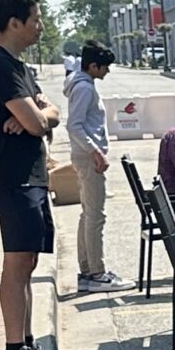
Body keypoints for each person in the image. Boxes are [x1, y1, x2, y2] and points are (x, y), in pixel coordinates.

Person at [0, 0, 71, 350]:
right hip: (12, 180)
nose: (41, 27)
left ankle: (27, 345)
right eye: (36, 20)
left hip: (30, 178)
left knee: (28, 261)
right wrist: (36, 117)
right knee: (16, 263)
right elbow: (36, 120)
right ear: (15, 22)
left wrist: (39, 115)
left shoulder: (20, 67)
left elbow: (50, 112)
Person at [67, 40, 119, 291]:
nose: (107, 71)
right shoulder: (85, 89)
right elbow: (74, 125)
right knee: (96, 215)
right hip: (89, 158)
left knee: (88, 213)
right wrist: (95, 151)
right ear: (93, 66)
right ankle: (97, 273)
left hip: (85, 155)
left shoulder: (82, 84)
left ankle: (88, 270)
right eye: (104, 67)